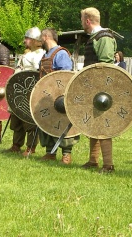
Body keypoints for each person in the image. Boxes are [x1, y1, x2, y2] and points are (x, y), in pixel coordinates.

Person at [80, 7, 117, 173]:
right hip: (92, 87)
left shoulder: (104, 37)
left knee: (103, 124)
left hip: (102, 88)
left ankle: (108, 164)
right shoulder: (94, 37)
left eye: (82, 20)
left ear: (87, 20)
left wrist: (103, 88)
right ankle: (93, 160)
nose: (81, 23)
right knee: (93, 122)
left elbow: (106, 64)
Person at [38, 28, 79, 164]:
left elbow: (66, 76)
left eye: (40, 38)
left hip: (59, 97)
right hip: (47, 96)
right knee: (48, 122)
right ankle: (50, 152)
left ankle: (66, 154)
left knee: (62, 123)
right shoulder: (46, 55)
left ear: (45, 37)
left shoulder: (60, 53)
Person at [6, 27, 45, 156]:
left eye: (27, 38)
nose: (25, 40)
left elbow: (35, 73)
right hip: (19, 90)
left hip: (29, 91)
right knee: (16, 118)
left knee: (29, 120)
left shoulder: (39, 54)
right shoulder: (27, 53)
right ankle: (16, 144)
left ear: (35, 40)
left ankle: (31, 147)